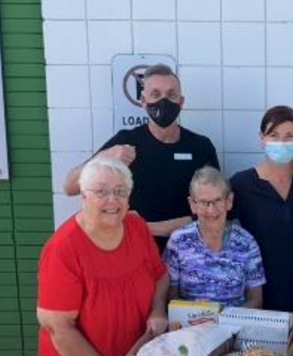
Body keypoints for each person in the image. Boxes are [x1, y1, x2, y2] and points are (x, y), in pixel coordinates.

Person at [36, 157, 170, 356]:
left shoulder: (136, 227)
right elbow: (59, 327)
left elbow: (160, 276)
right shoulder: (63, 249)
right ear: (83, 196)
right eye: (101, 191)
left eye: (120, 191)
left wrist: (158, 310)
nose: (112, 199)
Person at [64, 64, 219, 251]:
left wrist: (147, 227)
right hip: (135, 251)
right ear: (143, 101)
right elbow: (70, 187)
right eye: (155, 95)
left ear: (181, 101)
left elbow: (215, 210)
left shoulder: (200, 146)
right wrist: (104, 157)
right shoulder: (125, 142)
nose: (163, 101)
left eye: (171, 95)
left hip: (189, 253)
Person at [230, 106, 293, 321]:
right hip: (262, 300)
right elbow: (211, 220)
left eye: (289, 136)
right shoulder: (242, 184)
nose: (281, 142)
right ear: (261, 138)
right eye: (273, 135)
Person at [164, 167, 266, 308]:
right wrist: (195, 310)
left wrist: (221, 316)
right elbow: (170, 296)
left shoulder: (247, 242)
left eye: (217, 201)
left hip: (233, 326)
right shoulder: (178, 241)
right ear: (192, 204)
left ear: (229, 201)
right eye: (204, 202)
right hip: (190, 325)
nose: (211, 210)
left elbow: (256, 300)